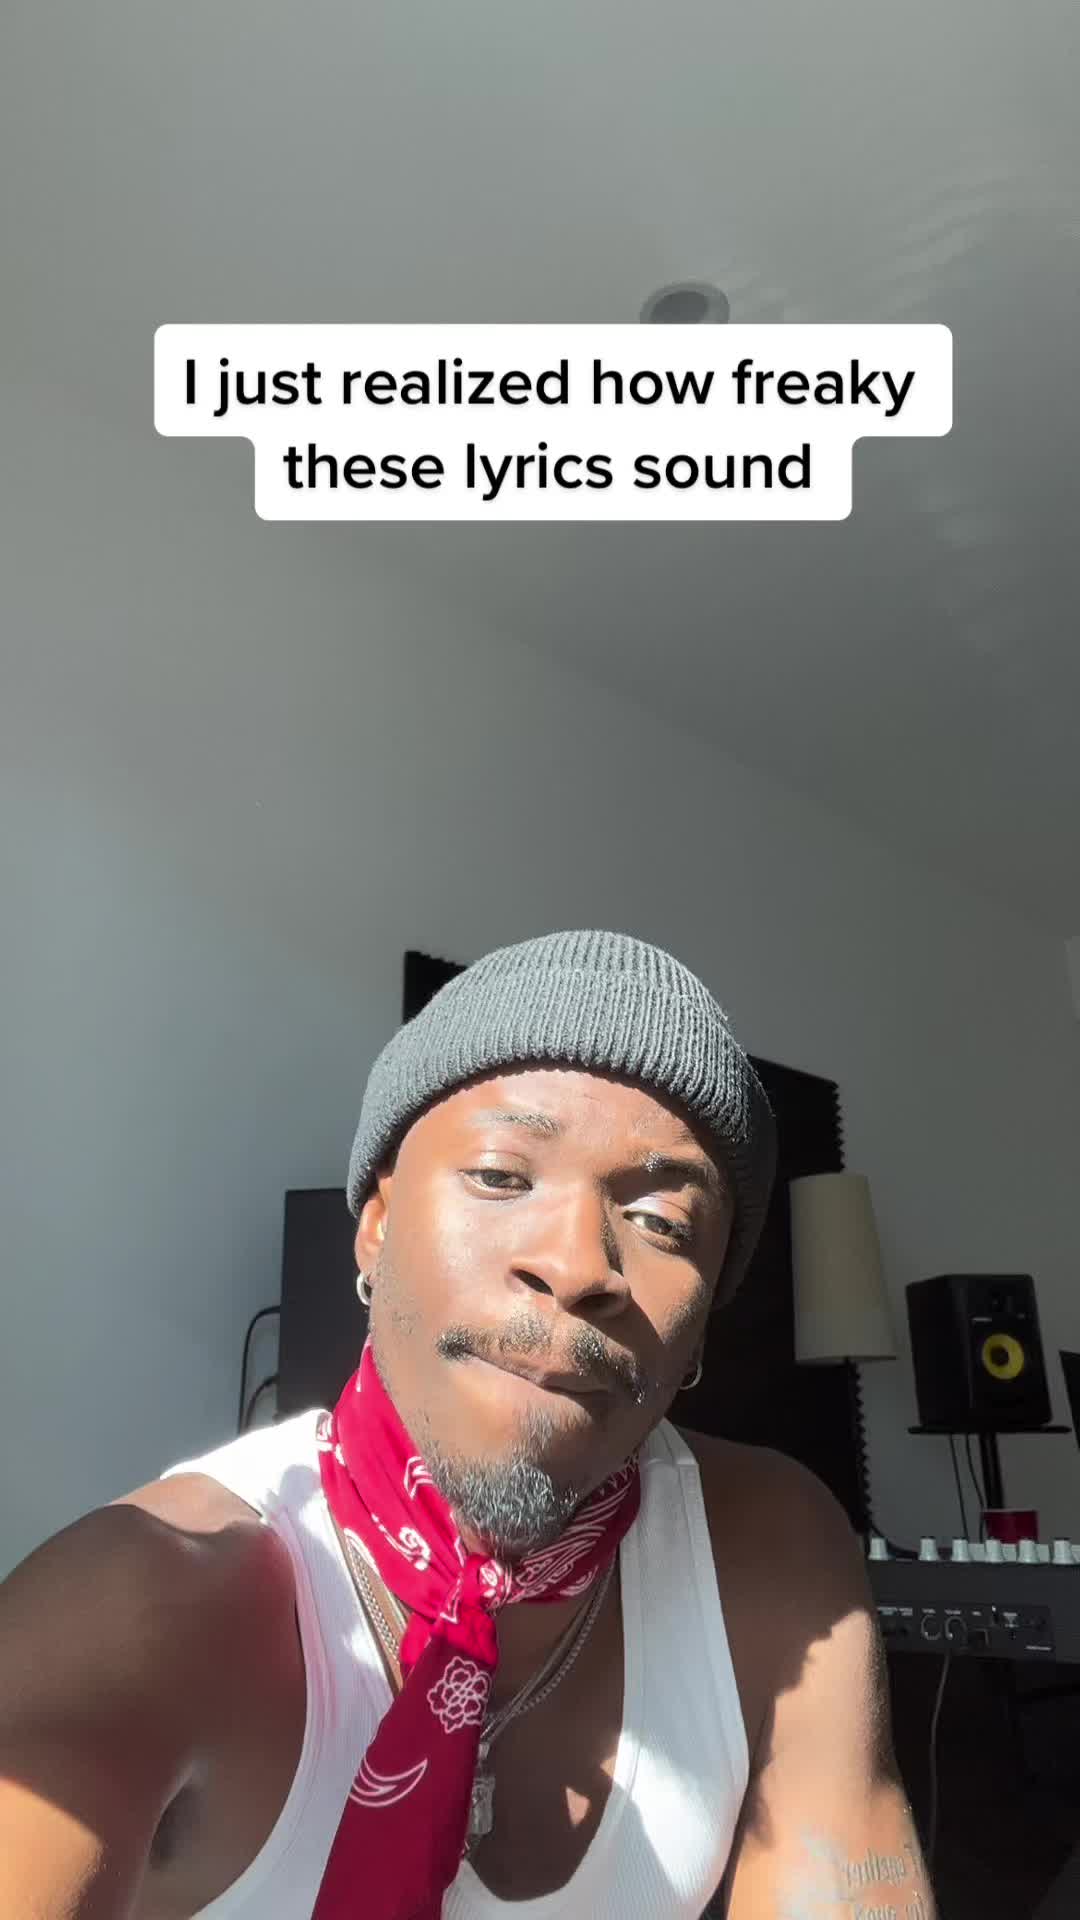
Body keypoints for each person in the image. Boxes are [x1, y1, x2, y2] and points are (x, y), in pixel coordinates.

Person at [0, 930, 936, 1919]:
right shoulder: (142, 1604)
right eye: (500, 1175)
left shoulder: (770, 1556)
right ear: (375, 1228)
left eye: (662, 1223)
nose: (577, 1265)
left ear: (701, 1325)